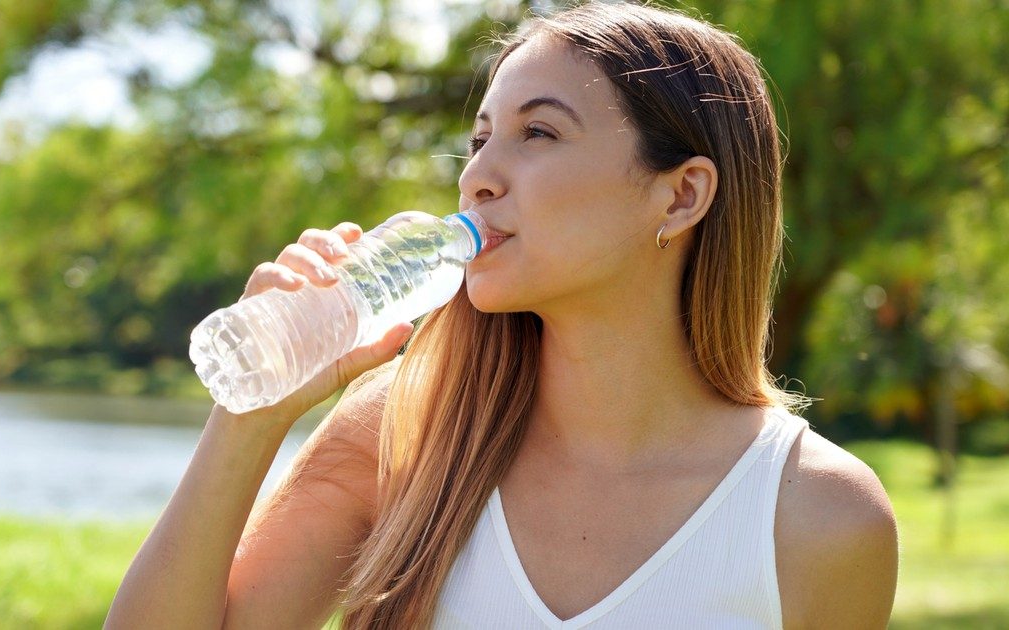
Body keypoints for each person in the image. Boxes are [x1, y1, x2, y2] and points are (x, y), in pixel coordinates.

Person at [106, 2, 899, 628]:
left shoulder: (815, 516)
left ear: (681, 194)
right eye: (480, 140)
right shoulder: (400, 438)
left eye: (538, 133)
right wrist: (252, 411)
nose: (479, 176)